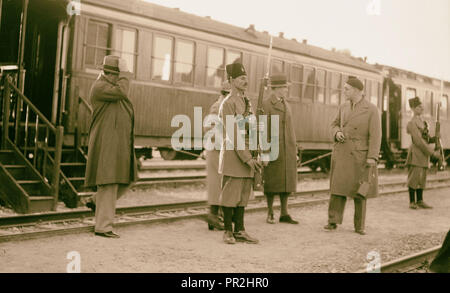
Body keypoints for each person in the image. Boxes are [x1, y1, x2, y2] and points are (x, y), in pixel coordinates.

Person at [84, 55, 138, 238]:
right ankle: (103, 227)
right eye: (119, 75)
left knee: (129, 178)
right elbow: (123, 92)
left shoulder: (110, 87)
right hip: (107, 142)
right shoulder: (100, 87)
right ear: (111, 74)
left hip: (118, 142)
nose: (121, 79)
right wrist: (125, 74)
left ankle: (95, 201)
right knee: (108, 181)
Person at [324, 76, 381, 235]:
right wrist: (337, 133)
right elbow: (334, 124)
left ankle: (359, 225)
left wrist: (372, 157)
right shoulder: (343, 107)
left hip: (360, 156)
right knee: (337, 188)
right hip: (342, 152)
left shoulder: (371, 109)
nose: (344, 91)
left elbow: (376, 135)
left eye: (346, 89)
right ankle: (333, 220)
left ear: (356, 91)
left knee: (360, 191)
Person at [218, 62, 262, 244]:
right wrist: (247, 158)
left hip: (248, 154)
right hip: (234, 155)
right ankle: (228, 231)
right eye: (241, 78)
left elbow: (253, 129)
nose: (246, 81)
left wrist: (256, 152)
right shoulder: (227, 104)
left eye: (246, 78)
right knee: (231, 194)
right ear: (231, 80)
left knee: (243, 194)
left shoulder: (247, 101)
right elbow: (233, 134)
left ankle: (240, 230)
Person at [261, 74, 298, 224]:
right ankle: (270, 212)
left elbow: (291, 129)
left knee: (286, 181)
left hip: (287, 148)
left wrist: (294, 150)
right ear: (275, 88)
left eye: (286, 87)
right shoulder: (266, 104)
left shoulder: (286, 104)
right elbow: (263, 128)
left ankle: (284, 213)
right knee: (271, 181)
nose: (286, 90)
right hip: (273, 148)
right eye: (284, 87)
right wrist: (264, 150)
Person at [204, 80, 231, 230]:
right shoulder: (218, 107)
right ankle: (213, 215)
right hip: (216, 150)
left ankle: (216, 215)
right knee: (217, 183)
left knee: (220, 183)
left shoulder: (221, 105)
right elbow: (211, 129)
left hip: (221, 149)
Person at [405, 97, 440, 209]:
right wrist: (432, 153)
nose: (422, 108)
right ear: (413, 109)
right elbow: (418, 141)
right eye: (419, 107)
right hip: (416, 153)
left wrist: (435, 138)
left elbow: (426, 138)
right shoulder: (411, 123)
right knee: (414, 177)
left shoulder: (423, 122)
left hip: (423, 154)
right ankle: (412, 202)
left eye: (421, 106)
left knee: (422, 177)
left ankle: (420, 200)